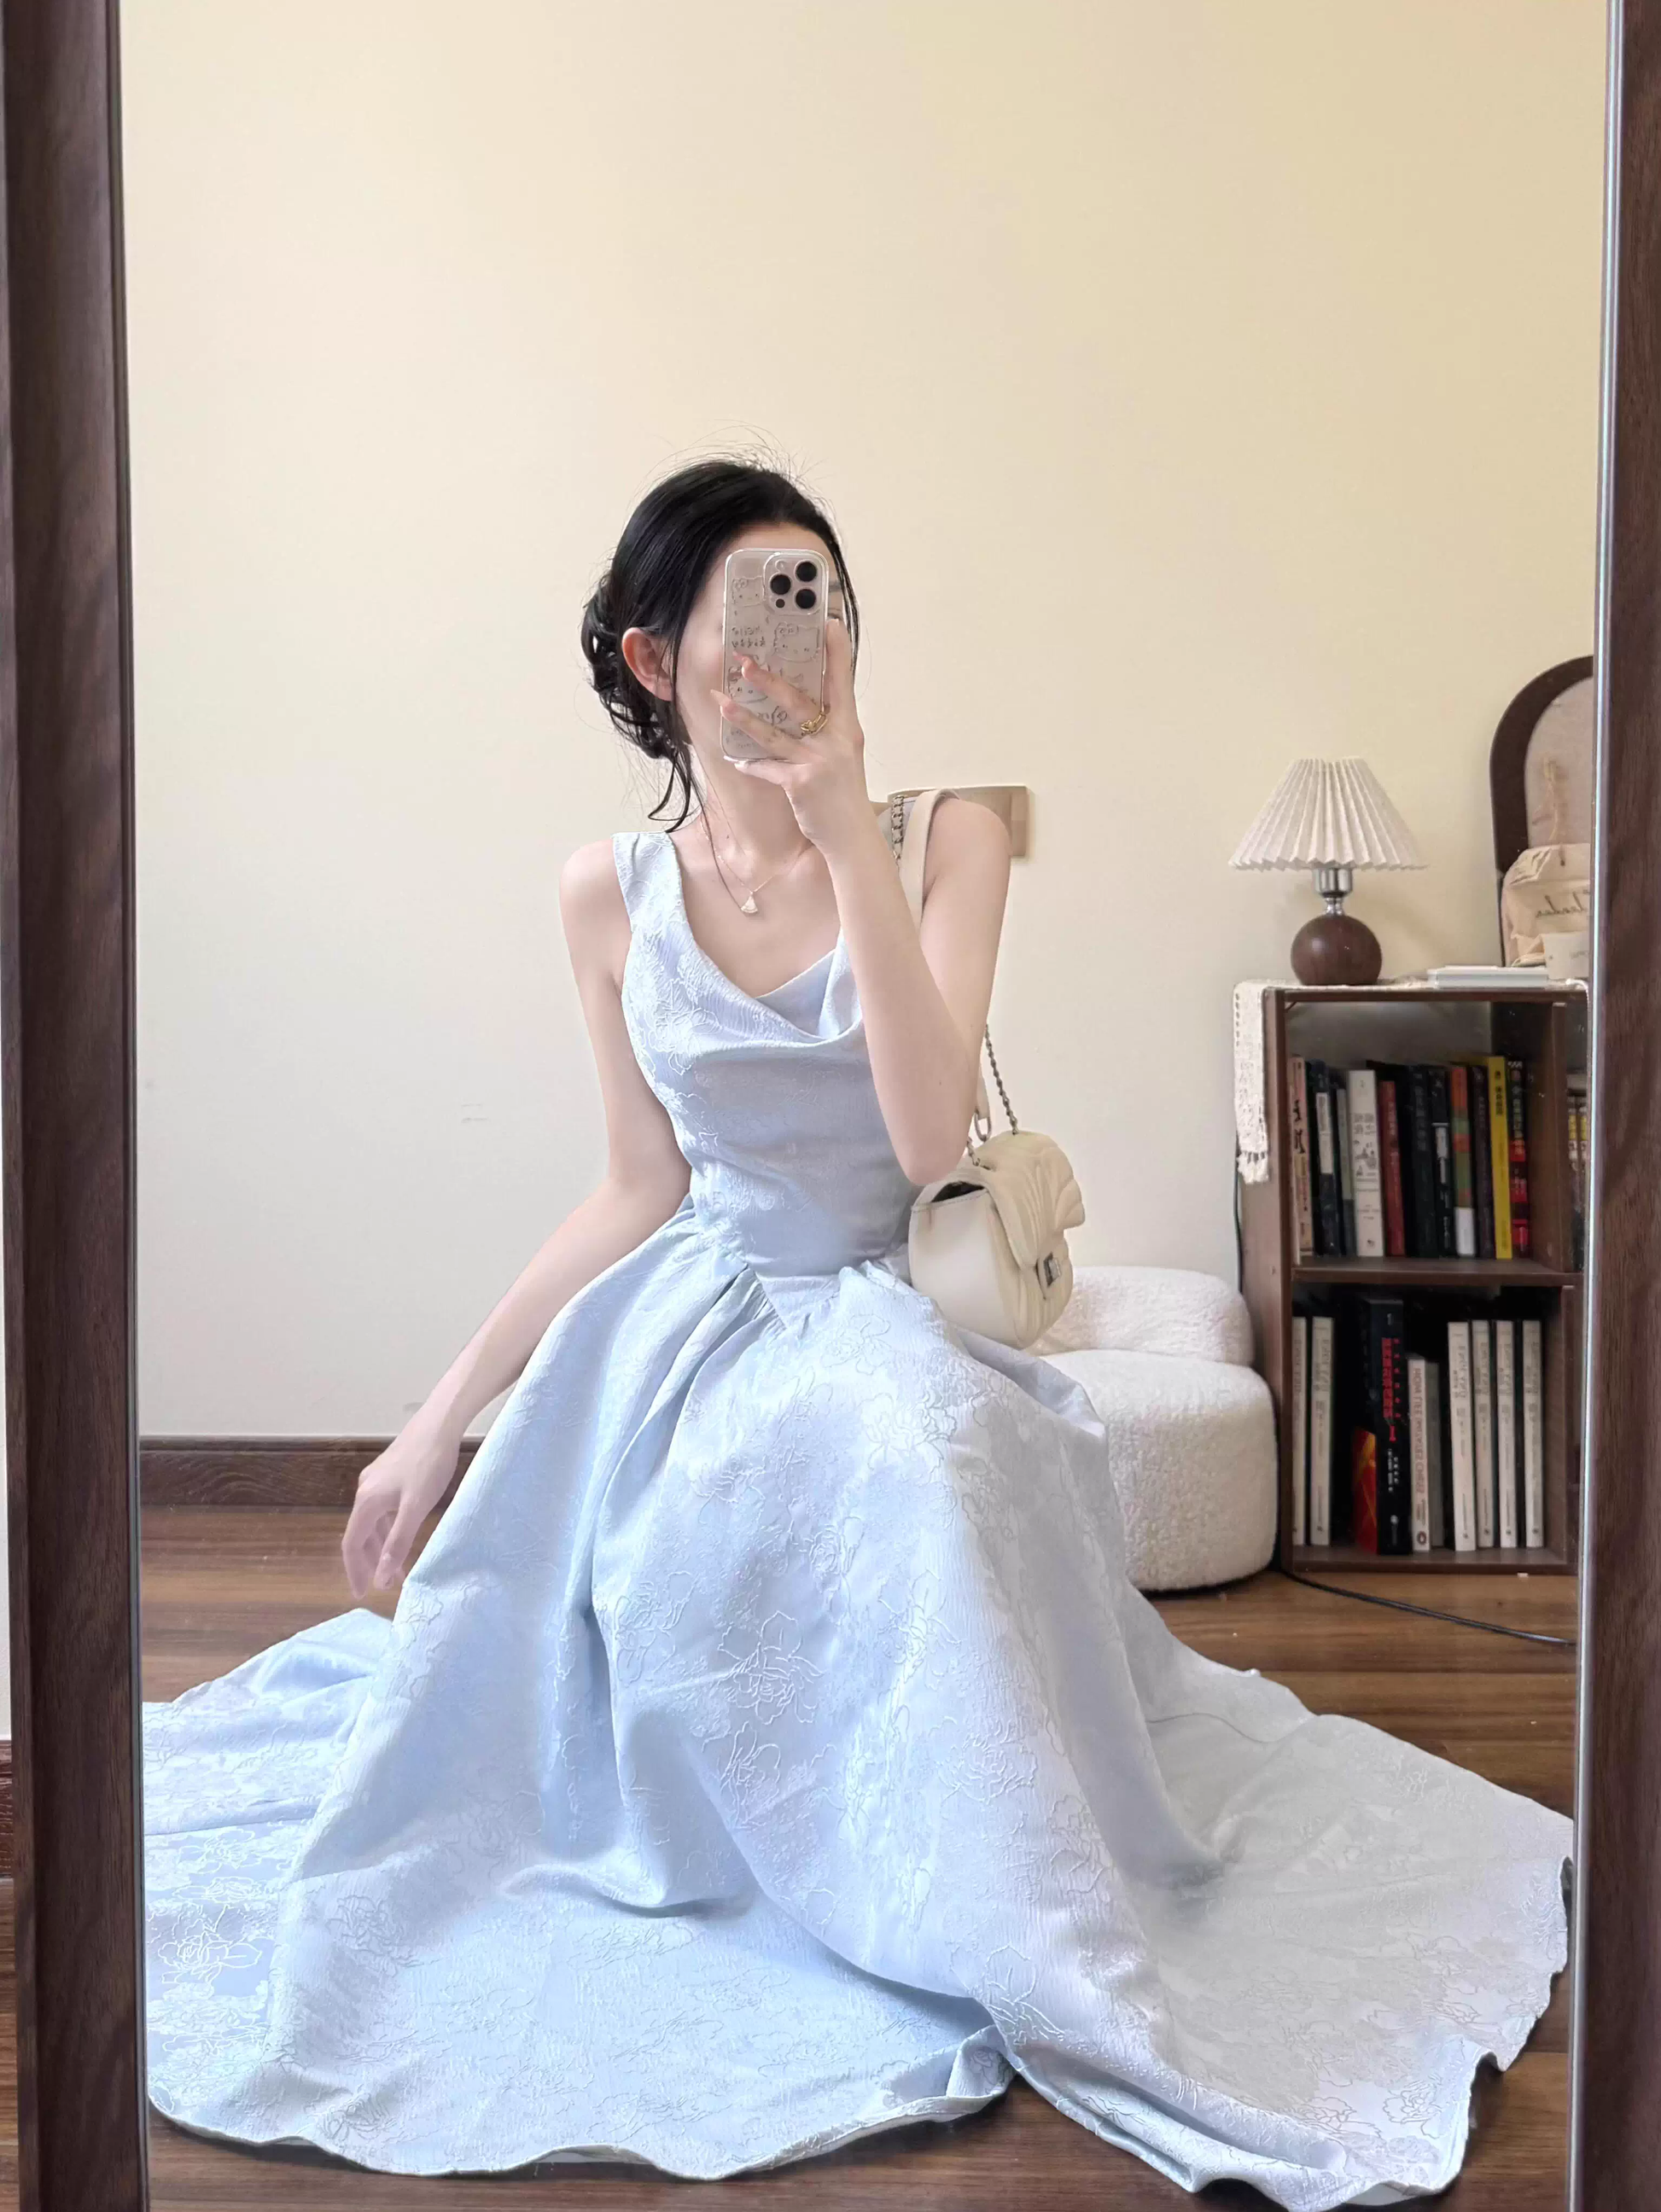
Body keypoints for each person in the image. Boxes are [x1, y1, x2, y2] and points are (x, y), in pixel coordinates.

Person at [143, 457, 1571, 2205]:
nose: (794, 639)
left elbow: (919, 1136)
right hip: (693, 1315)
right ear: (654, 657)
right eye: (752, 606)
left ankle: (934, 1868)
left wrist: (842, 830)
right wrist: (440, 1413)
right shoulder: (605, 891)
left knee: (920, 1458)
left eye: (818, 597)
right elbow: (633, 1185)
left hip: (887, 1303)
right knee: (598, 1551)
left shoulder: (942, 834)